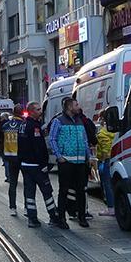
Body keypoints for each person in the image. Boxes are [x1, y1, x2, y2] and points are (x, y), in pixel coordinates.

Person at [49, 98, 91, 228]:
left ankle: (82, 217)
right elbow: (52, 139)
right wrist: (59, 156)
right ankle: (62, 218)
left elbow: (84, 139)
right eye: (76, 105)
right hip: (66, 162)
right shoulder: (58, 121)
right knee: (64, 190)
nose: (78, 106)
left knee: (81, 190)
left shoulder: (79, 121)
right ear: (69, 107)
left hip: (80, 161)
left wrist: (87, 156)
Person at [18, 102, 61, 228]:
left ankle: (32, 218)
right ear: (31, 111)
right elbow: (39, 147)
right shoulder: (34, 127)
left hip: (26, 165)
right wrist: (44, 164)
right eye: (38, 109)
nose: (41, 111)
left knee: (29, 193)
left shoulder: (23, 125)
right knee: (47, 192)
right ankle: (53, 216)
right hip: (36, 166)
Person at [0, 105, 25, 216]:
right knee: (27, 184)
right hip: (22, 157)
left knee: (12, 184)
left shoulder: (5, 126)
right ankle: (26, 207)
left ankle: (12, 207)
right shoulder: (23, 125)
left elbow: (1, 140)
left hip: (10, 158)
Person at [96, 110, 116, 216]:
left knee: (107, 185)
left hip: (105, 160)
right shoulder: (114, 131)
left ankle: (110, 208)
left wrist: (103, 161)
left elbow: (104, 149)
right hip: (115, 159)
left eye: (101, 118)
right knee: (113, 184)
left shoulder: (102, 133)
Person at [0, 112, 11, 183]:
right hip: (12, 144)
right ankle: (13, 176)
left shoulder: (2, 125)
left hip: (4, 144)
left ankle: (8, 176)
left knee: (6, 161)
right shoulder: (11, 123)